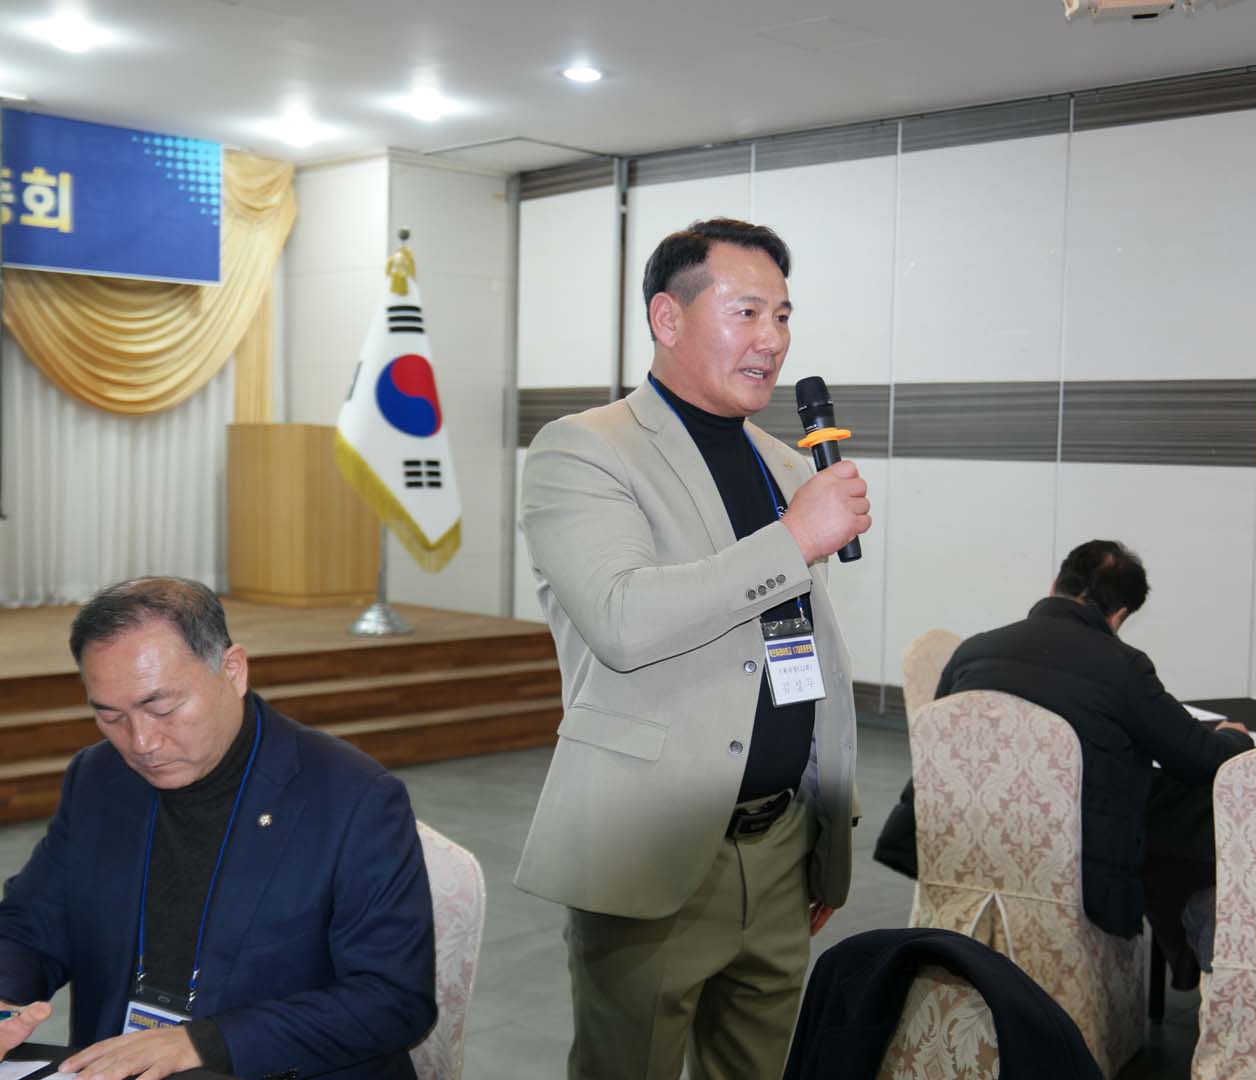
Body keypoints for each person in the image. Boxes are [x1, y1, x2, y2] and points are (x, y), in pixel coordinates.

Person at [516, 218, 868, 1079]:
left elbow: (799, 653)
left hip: (783, 849)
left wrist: (824, 832)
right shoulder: (584, 450)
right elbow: (623, 619)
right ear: (667, 319)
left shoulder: (787, 467)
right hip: (656, 846)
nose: (771, 340)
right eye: (746, 312)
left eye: (782, 316)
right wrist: (795, 539)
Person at [0, 578, 436, 1080]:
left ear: (233, 670)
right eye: (110, 715)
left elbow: (393, 999)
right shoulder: (99, 777)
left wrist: (205, 1043)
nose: (141, 742)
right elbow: (32, 924)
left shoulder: (352, 797)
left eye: (162, 708)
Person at [880, 541, 1252, 977]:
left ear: (1055, 584)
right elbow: (1198, 758)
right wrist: (1234, 737)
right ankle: (1190, 953)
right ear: (1120, 615)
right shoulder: (1122, 667)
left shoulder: (974, 650)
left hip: (964, 836)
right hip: (1075, 861)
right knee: (1184, 812)